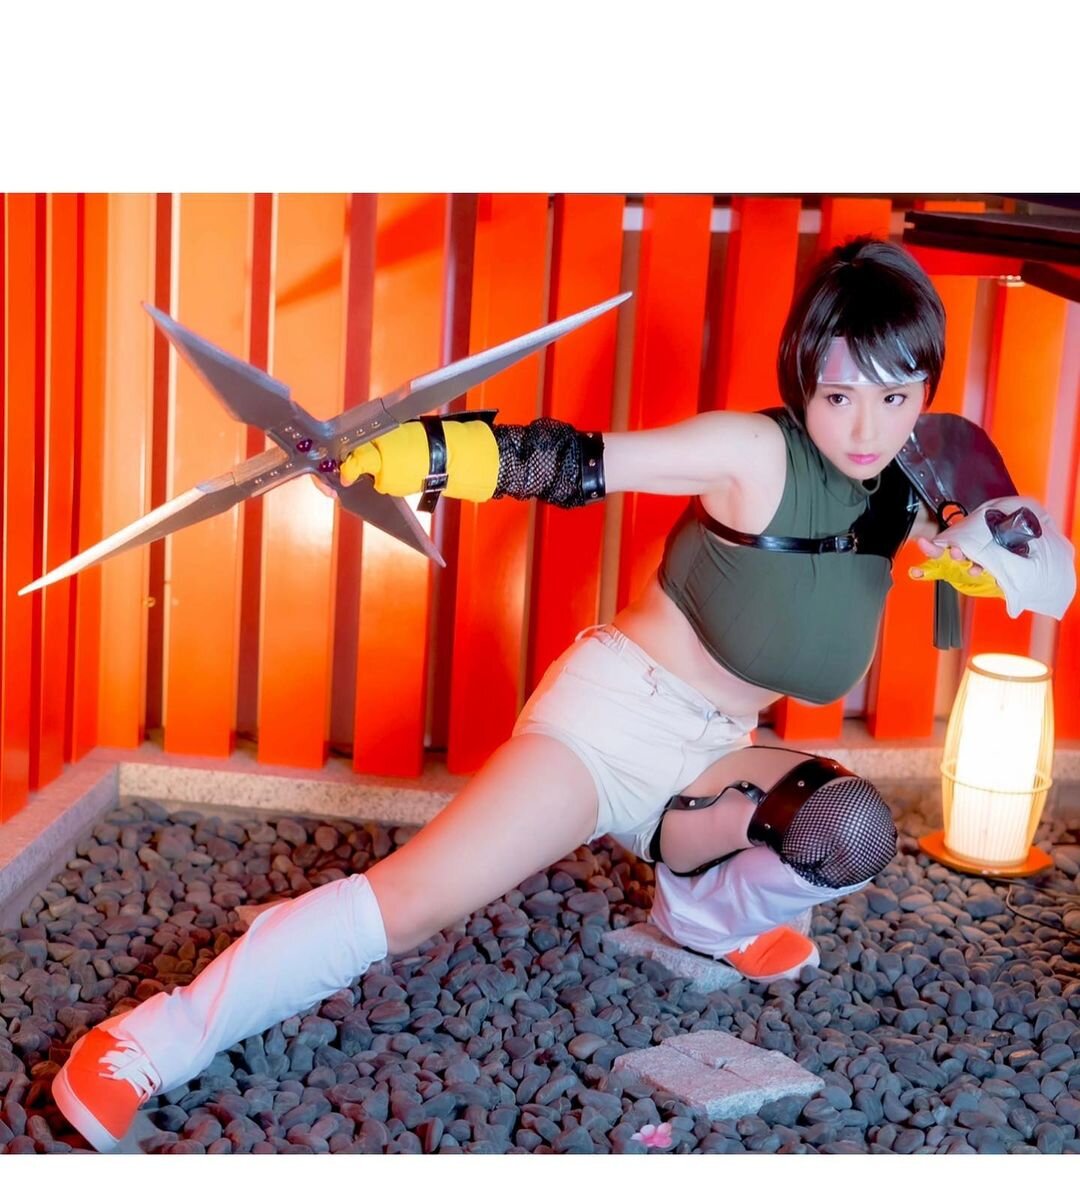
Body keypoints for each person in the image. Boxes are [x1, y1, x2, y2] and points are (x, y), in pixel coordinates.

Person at [48, 236, 1046, 1152]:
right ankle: (148, 1041)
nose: (867, 426)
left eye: (895, 395)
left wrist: (983, 552)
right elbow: (577, 462)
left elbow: (1019, 556)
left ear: (925, 389)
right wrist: (428, 455)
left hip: (717, 752)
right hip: (609, 723)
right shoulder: (753, 452)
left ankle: (706, 917)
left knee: (847, 827)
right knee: (412, 902)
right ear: (801, 380)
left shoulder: (904, 486)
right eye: (839, 396)